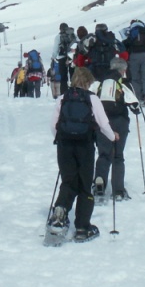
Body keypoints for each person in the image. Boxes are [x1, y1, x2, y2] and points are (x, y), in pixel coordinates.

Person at [48, 67, 119, 243]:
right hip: (84, 146)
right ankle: (82, 227)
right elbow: (103, 124)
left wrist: (60, 138)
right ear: (88, 82)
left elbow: (53, 125)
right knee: (85, 185)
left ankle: (60, 212)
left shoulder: (63, 98)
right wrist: (113, 137)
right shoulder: (92, 98)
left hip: (64, 146)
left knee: (68, 181)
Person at [92, 57, 140, 201]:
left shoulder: (99, 82)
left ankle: (99, 183)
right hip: (120, 122)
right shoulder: (123, 83)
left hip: (101, 121)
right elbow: (135, 105)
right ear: (123, 70)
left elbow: (90, 97)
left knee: (103, 154)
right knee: (118, 155)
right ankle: (118, 190)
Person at [121, 19, 145, 106]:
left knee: (135, 78)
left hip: (133, 56)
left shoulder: (129, 33)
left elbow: (124, 47)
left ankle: (138, 97)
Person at [50, 23, 76, 95]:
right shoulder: (73, 34)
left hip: (62, 57)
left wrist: (53, 57)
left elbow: (55, 49)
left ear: (60, 29)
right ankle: (74, 92)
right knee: (73, 76)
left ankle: (64, 94)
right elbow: (77, 43)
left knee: (63, 77)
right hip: (72, 57)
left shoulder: (58, 36)